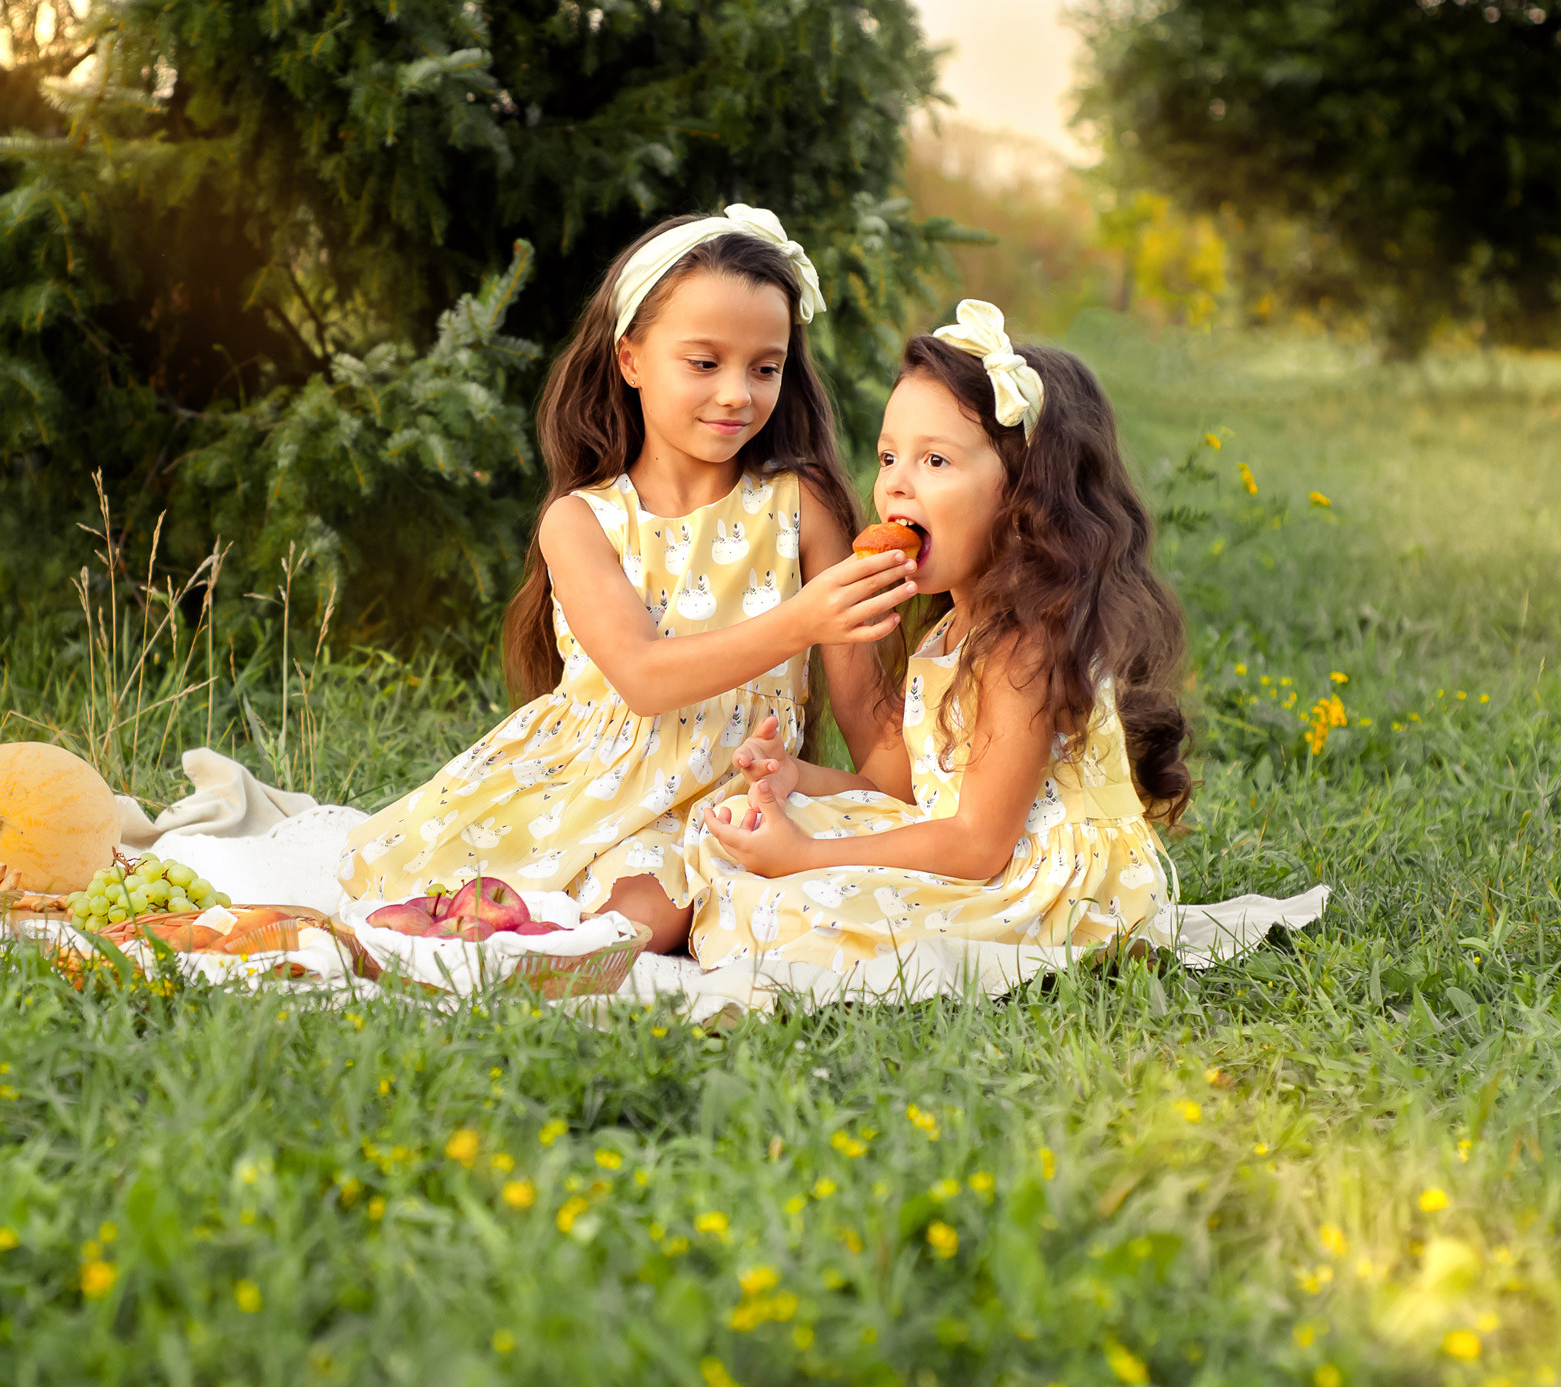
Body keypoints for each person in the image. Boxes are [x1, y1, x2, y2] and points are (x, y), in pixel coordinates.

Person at [337, 206, 916, 950]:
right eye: (704, 363)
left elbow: (872, 733)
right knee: (560, 915)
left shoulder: (800, 507)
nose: (738, 393)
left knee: (693, 913)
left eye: (764, 367)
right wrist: (803, 619)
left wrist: (917, 783)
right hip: (583, 790)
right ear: (631, 358)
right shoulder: (580, 522)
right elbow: (642, 676)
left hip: (735, 793)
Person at [686, 300, 1193, 970]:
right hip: (977, 853)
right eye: (889, 455)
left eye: (934, 461)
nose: (895, 483)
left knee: (799, 898)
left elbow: (979, 844)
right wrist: (796, 778)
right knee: (735, 846)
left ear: (1023, 494)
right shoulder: (952, 633)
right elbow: (891, 788)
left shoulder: (1025, 644)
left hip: (1051, 893)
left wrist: (808, 858)